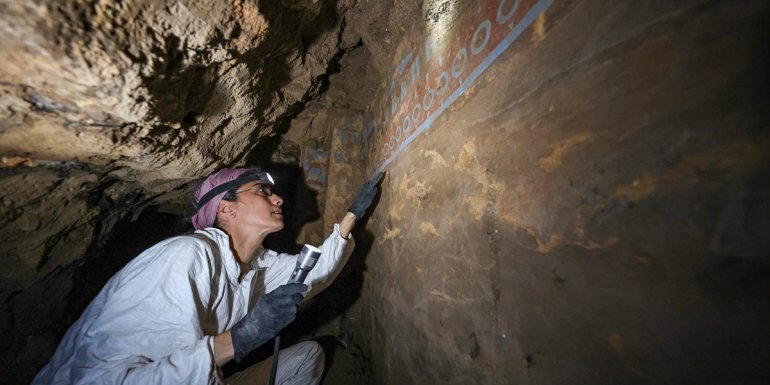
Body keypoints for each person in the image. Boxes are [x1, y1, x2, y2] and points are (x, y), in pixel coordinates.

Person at [32, 167, 383, 385]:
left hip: (197, 377)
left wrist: (351, 216)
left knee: (306, 359)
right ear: (226, 208)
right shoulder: (185, 257)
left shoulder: (257, 264)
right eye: (261, 191)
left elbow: (315, 273)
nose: (277, 199)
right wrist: (240, 338)